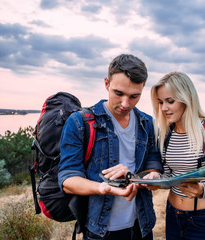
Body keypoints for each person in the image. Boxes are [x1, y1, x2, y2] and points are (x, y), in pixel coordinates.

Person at [58, 54, 163, 240]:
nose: (125, 104)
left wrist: (153, 176)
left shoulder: (147, 124)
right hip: (99, 230)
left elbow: (153, 162)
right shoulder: (80, 122)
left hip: (142, 226)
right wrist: (102, 188)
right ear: (106, 83)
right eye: (119, 93)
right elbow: (67, 179)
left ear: (143, 88)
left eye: (134, 96)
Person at [150, 72, 205, 240]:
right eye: (160, 102)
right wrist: (156, 181)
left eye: (170, 101)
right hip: (173, 216)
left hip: (204, 220)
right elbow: (170, 176)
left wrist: (202, 189)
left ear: (187, 98)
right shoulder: (166, 133)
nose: (163, 108)